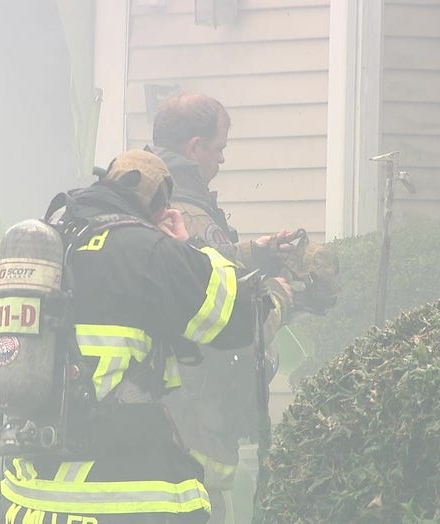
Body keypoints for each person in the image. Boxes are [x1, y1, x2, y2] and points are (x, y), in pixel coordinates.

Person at [0, 149, 259, 523]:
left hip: (27, 499)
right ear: (160, 205)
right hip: (126, 496)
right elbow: (235, 319)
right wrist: (191, 247)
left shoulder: (35, 251)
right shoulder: (150, 252)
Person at [148, 91, 295, 523]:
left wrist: (256, 251)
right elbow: (220, 311)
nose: (223, 161)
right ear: (195, 148)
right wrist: (283, 297)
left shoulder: (154, 198)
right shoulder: (185, 212)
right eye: (220, 149)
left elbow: (201, 263)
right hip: (192, 418)